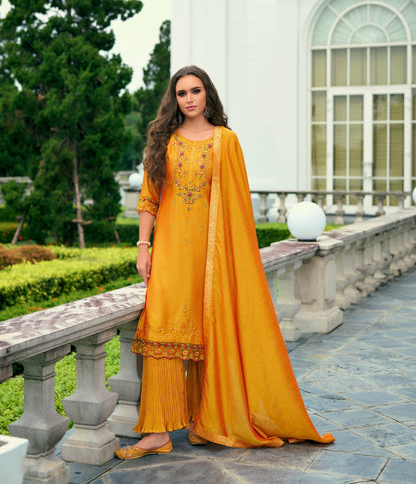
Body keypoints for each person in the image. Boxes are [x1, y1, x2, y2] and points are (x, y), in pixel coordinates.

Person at [115, 65, 334, 460]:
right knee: (163, 331)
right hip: (170, 254)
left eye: (195, 91)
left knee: (209, 333)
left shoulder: (225, 141)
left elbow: (236, 210)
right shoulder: (164, 141)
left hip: (212, 257)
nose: (189, 99)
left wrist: (234, 263)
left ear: (207, 94)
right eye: (181, 93)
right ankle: (156, 433)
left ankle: (206, 419)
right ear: (174, 100)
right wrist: (143, 246)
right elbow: (148, 198)